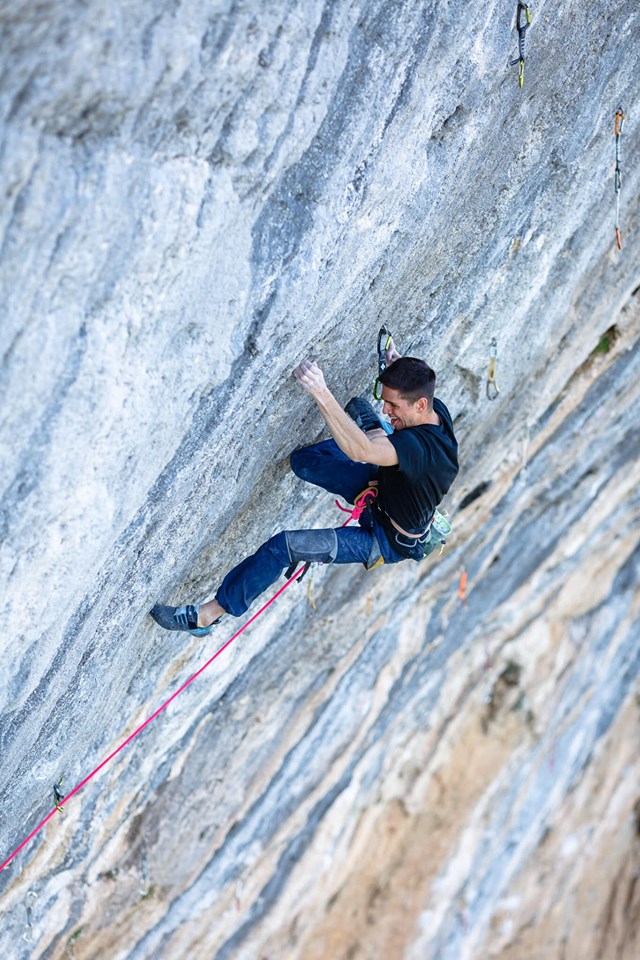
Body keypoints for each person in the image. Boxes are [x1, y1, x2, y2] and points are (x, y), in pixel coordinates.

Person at [150, 342, 459, 636]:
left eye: (392, 405)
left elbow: (360, 452)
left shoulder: (419, 450)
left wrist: (320, 391)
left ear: (419, 405)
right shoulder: (434, 412)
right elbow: (408, 399)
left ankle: (208, 614)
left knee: (283, 546)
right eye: (387, 401)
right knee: (305, 461)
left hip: (383, 540)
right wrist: (399, 366)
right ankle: (377, 432)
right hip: (383, 492)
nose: (387, 407)